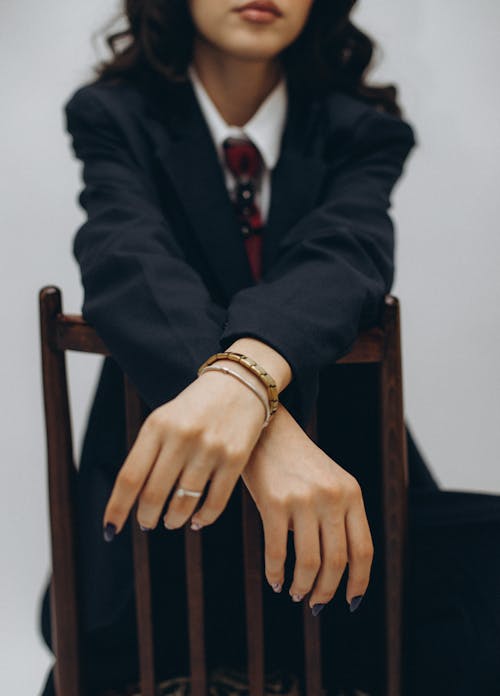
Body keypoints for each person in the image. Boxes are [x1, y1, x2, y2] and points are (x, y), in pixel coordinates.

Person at [38, 1, 500, 695]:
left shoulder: (361, 129)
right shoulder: (115, 114)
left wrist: (245, 385)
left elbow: (343, 258)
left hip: (337, 476)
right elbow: (127, 257)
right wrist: (265, 427)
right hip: (163, 498)